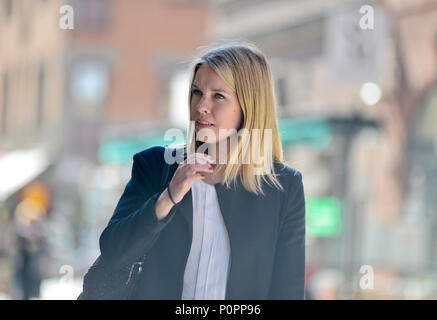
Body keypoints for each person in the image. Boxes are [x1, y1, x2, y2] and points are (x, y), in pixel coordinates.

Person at [98, 42, 306, 299]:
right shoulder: (156, 166)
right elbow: (113, 251)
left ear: (249, 106)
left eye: (218, 96)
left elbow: (287, 291)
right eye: (197, 92)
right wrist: (168, 197)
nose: (201, 107)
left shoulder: (283, 187)